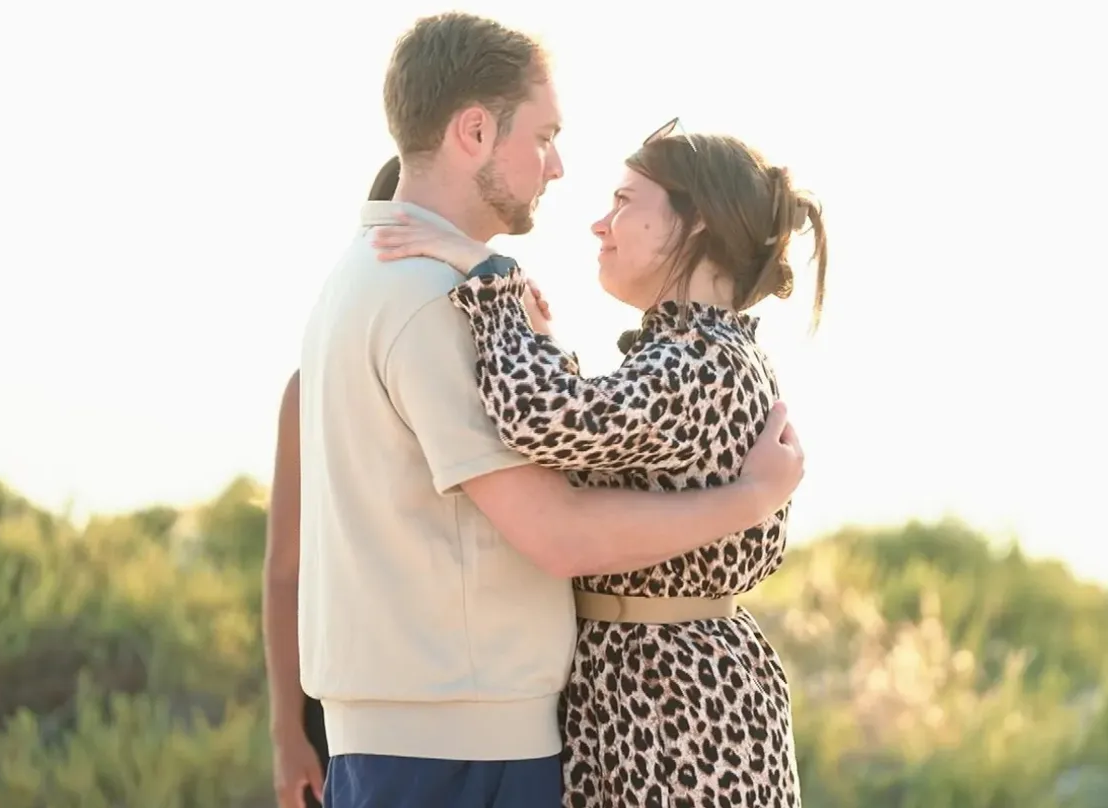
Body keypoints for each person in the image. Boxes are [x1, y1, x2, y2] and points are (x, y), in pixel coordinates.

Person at [294, 12, 807, 808]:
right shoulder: (432, 296)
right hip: (463, 744)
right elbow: (559, 528)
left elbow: (570, 427)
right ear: (473, 132)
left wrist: (511, 308)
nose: (559, 166)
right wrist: (752, 499)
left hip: (569, 722)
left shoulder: (377, 278)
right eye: (543, 136)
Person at [261, 156, 402, 808]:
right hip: (341, 706)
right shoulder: (310, 387)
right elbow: (285, 572)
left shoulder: (503, 372)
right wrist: (286, 731)